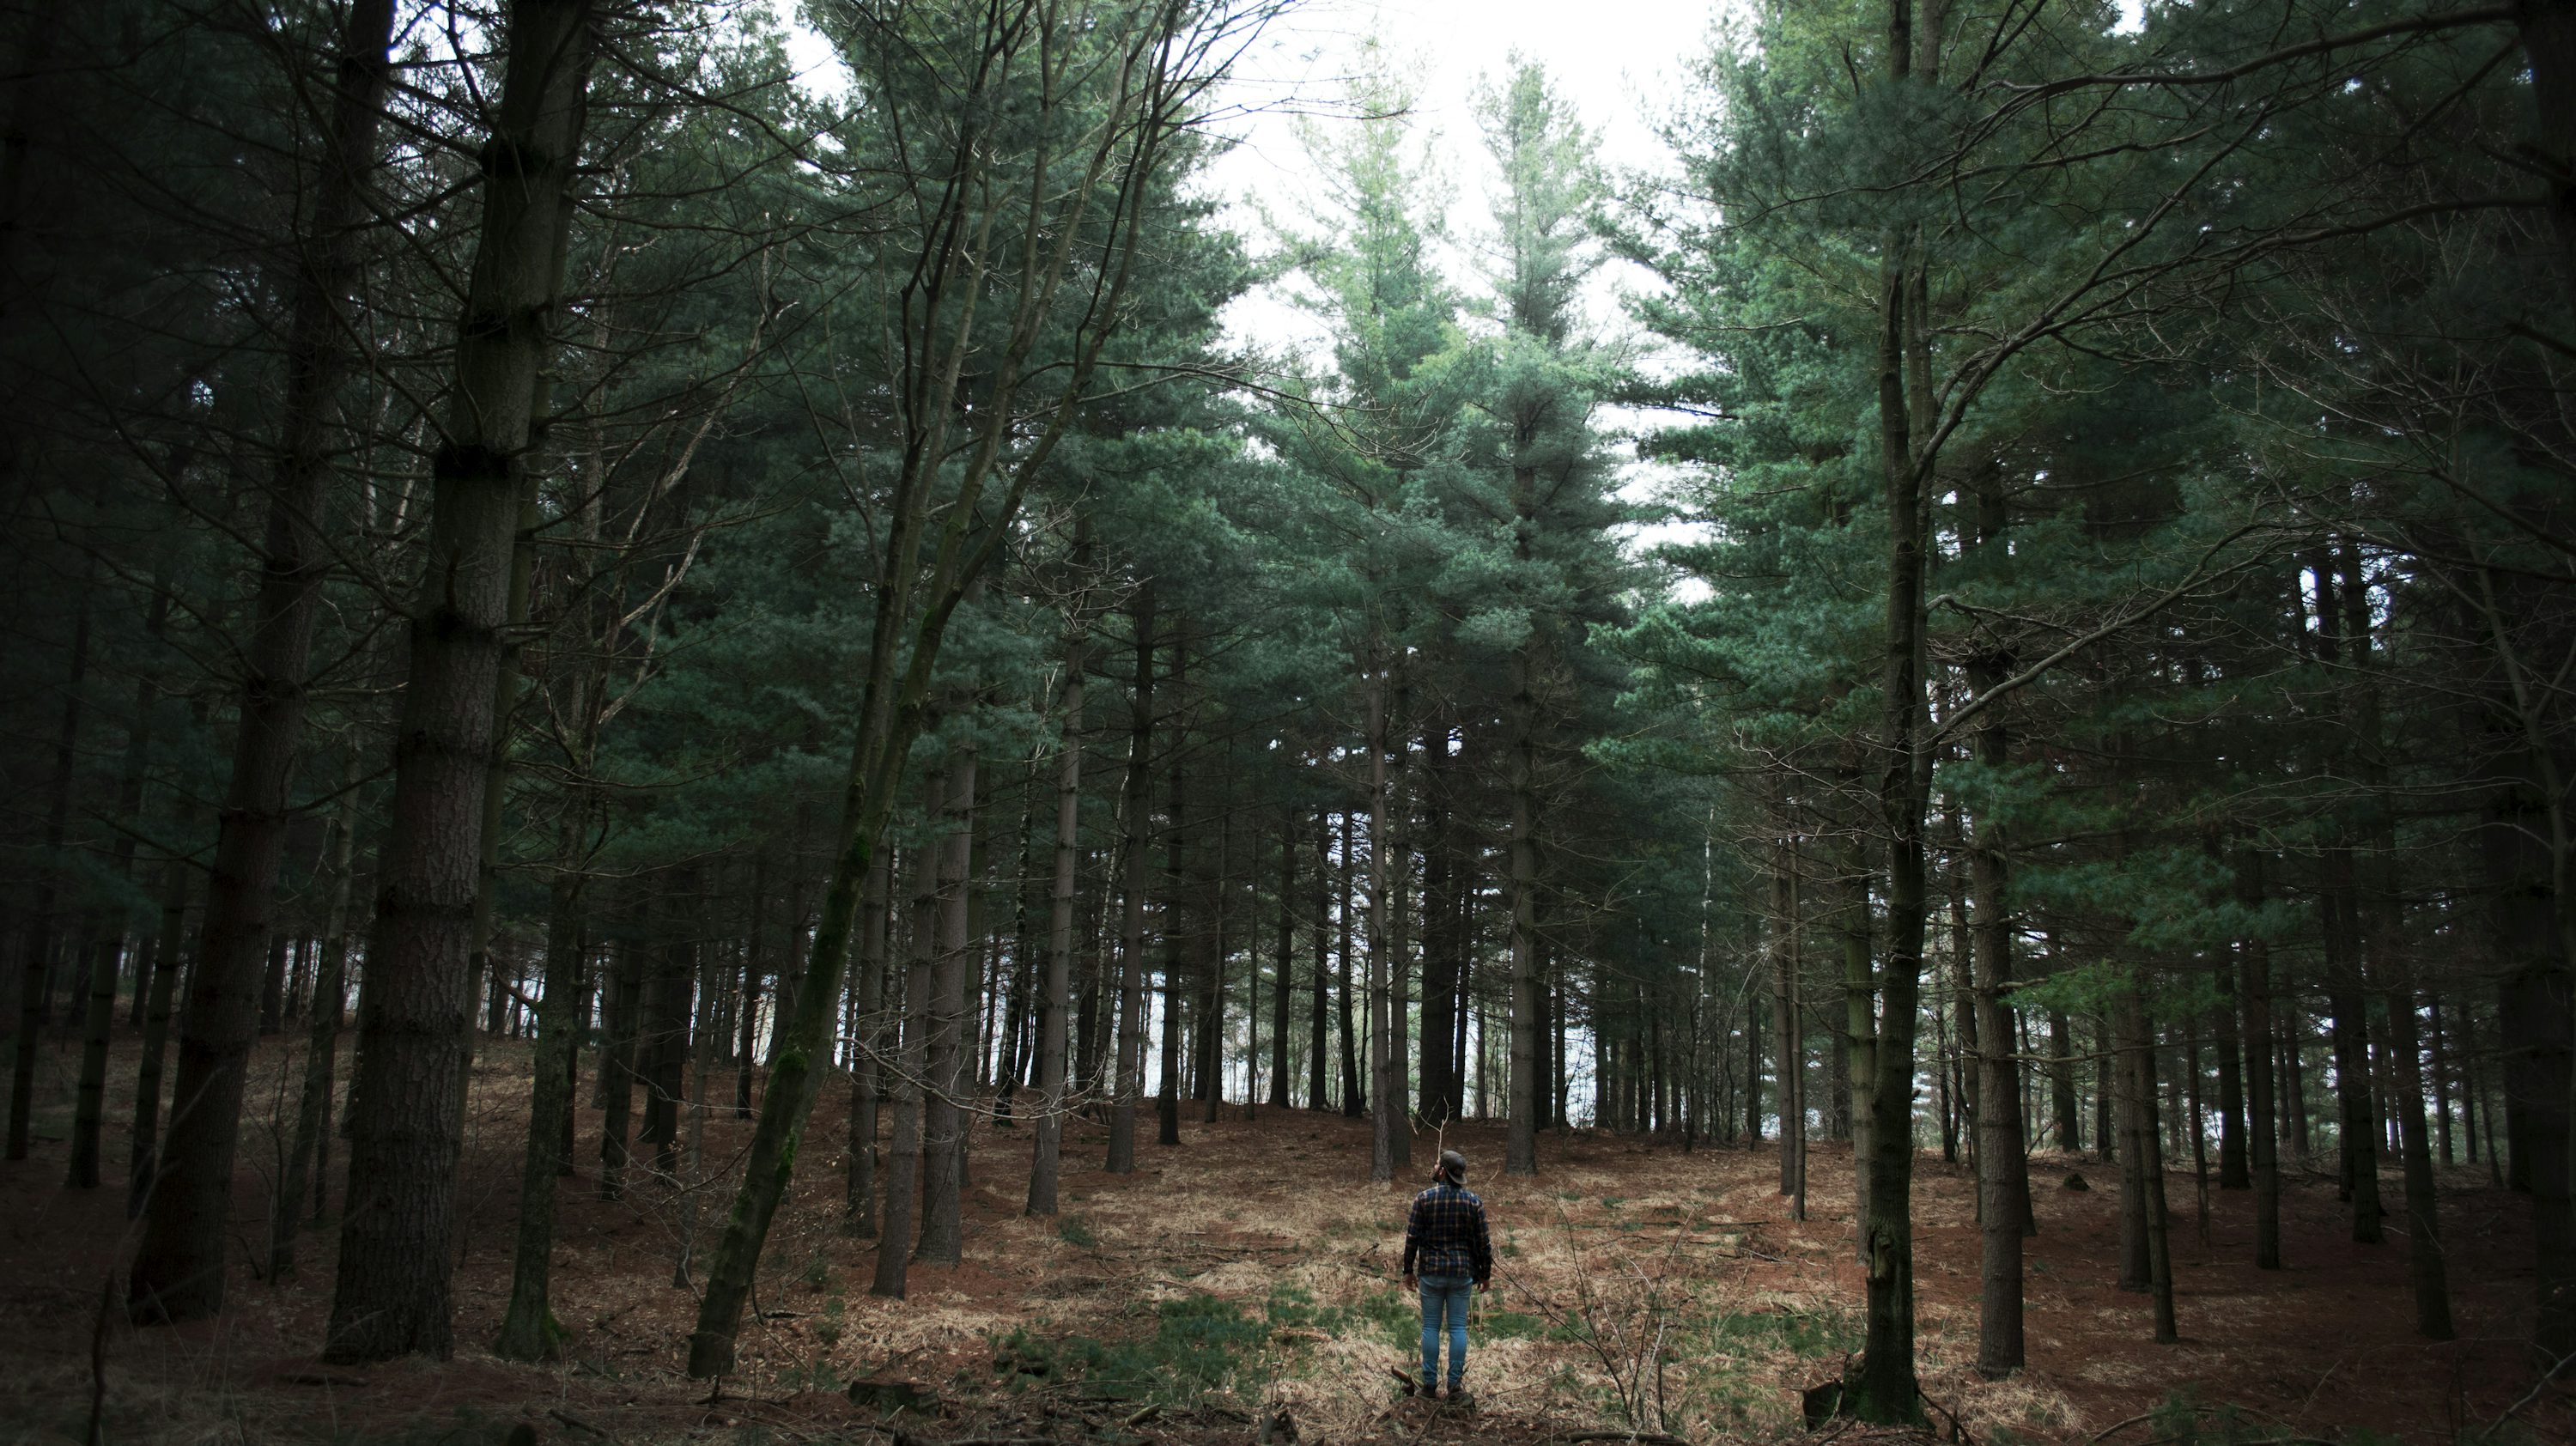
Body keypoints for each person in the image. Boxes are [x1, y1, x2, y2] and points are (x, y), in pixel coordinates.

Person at [1400, 1147, 1492, 1404]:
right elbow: (1484, 1242)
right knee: (1457, 1329)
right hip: (1462, 1274)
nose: (1433, 1166)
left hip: (1432, 1273)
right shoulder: (1473, 1202)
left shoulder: (1424, 1199)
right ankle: (1455, 1387)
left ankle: (1429, 1387)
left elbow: (1412, 1239)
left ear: (1442, 1171)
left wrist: (1408, 1271)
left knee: (1430, 1327)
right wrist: (1485, 1274)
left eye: (1437, 1163)